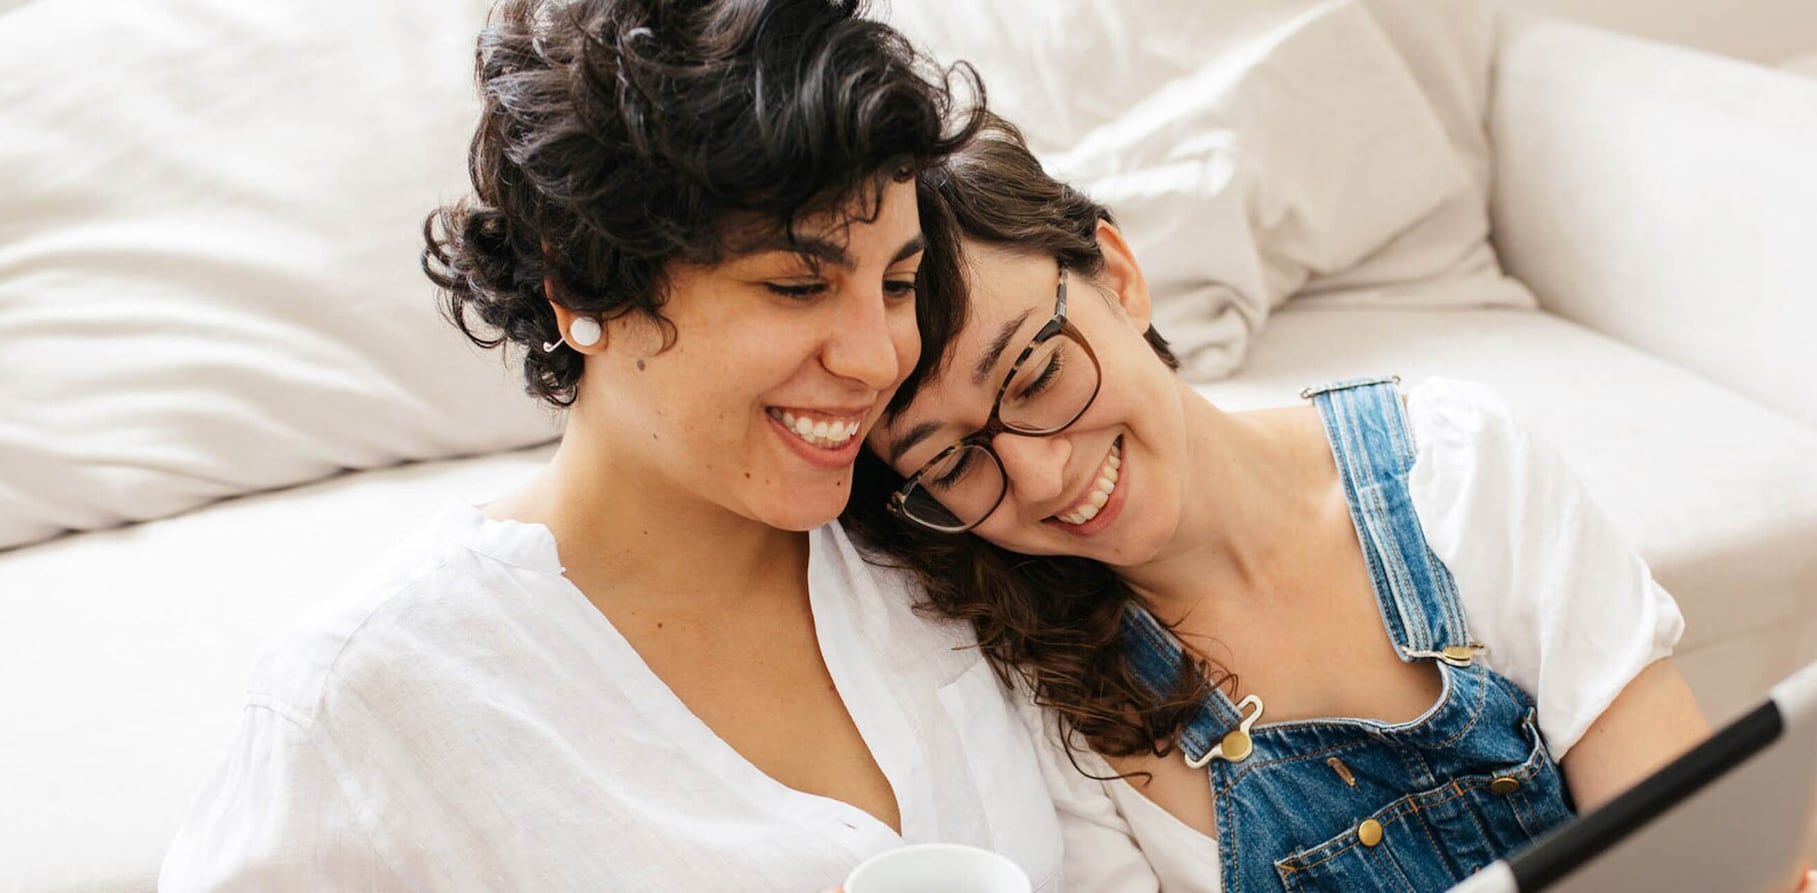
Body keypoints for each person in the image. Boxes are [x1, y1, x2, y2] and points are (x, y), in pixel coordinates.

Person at [158, 4, 1153, 891]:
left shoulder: (932, 539)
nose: (877, 354)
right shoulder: (374, 702)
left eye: (895, 282)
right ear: (585, 286)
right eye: (796, 286)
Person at [841, 116, 1817, 893]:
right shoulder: (1041, 707)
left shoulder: (1459, 468)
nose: (1042, 475)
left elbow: (1688, 836)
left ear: (1117, 277)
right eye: (954, 460)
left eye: (1032, 373)